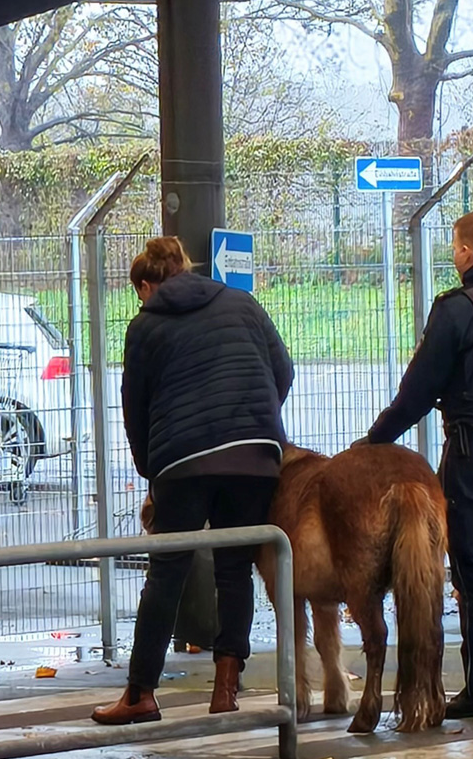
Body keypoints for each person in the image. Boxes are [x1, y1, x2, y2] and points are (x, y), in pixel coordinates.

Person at [92, 236, 293, 726]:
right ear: (187, 267)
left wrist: (151, 469)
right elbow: (283, 371)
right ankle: (226, 689)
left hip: (182, 463)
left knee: (166, 573)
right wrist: (253, 421)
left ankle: (141, 694)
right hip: (253, 456)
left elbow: (134, 408)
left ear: (146, 284)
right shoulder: (243, 304)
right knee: (234, 569)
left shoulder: (145, 325)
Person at [358, 209, 473, 719]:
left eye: (454, 247)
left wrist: (373, 444)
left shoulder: (458, 309)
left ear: (466, 252)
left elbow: (417, 394)